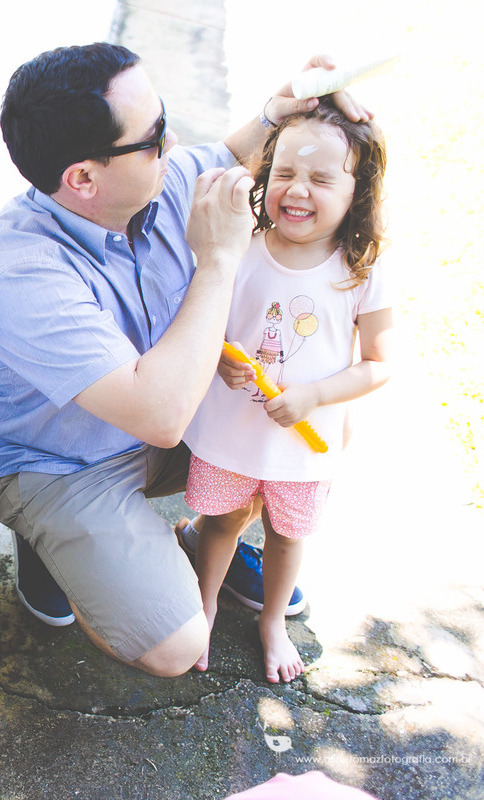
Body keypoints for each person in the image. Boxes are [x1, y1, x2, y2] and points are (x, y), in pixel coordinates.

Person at [0, 42, 371, 677]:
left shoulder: (150, 183)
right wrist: (217, 260)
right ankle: (54, 543)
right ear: (83, 177)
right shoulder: (23, 273)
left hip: (155, 421)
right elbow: (158, 417)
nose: (174, 140)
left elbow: (226, 156)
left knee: (289, 446)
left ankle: (201, 537)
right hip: (64, 465)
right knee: (175, 647)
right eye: (154, 135)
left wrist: (283, 108)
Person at [178, 97, 393, 682]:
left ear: (358, 191)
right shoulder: (241, 249)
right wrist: (219, 360)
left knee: (285, 535)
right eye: (285, 174)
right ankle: (205, 605)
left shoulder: (360, 269)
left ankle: (272, 619)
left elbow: (379, 363)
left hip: (303, 443)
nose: (298, 190)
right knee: (221, 522)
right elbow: (210, 324)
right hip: (231, 430)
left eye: (321, 178)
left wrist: (315, 396)